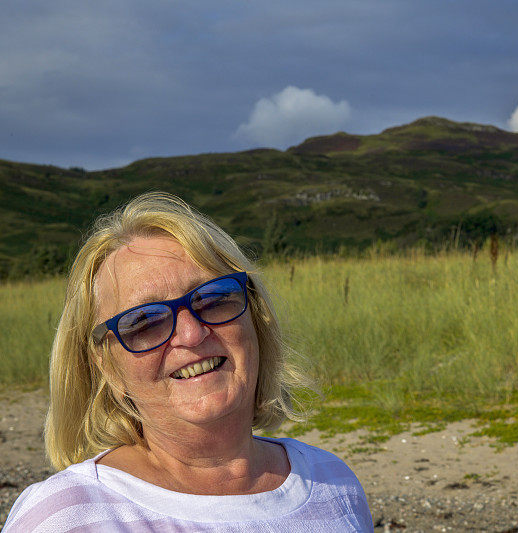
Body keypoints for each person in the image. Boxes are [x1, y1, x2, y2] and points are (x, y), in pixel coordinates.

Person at [3, 192, 373, 532]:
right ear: (106, 366)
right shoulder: (67, 516)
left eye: (214, 298)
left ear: (255, 317)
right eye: (144, 321)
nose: (192, 335)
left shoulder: (333, 483)